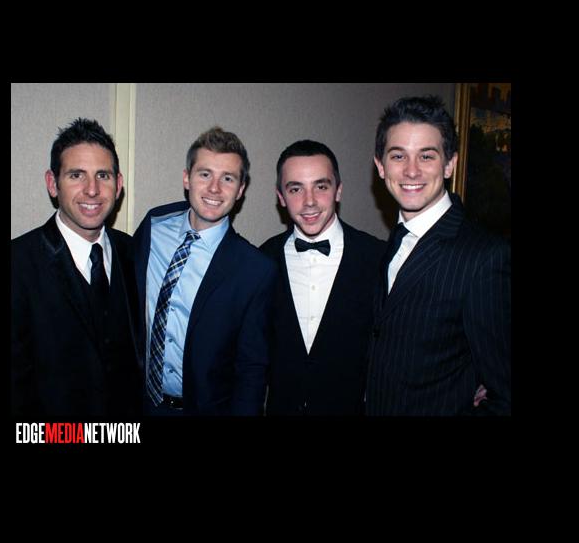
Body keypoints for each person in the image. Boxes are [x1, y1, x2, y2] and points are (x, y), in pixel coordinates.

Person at [366, 95, 511, 416]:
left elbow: (505, 397)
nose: (411, 171)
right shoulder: (390, 242)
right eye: (398, 156)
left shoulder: (485, 257)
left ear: (449, 165)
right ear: (381, 166)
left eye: (426, 156)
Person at [133, 126, 277, 416]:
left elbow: (251, 370)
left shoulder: (255, 270)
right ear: (187, 178)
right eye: (205, 174)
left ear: (241, 190)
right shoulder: (153, 226)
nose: (214, 188)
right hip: (139, 406)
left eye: (228, 178)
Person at [11, 118, 141, 416]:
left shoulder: (134, 253)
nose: (92, 190)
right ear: (52, 183)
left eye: (103, 175)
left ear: (118, 185)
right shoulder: (18, 264)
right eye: (76, 175)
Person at [260, 140, 386, 415]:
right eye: (295, 189)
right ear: (281, 197)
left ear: (338, 190)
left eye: (321, 186)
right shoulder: (261, 260)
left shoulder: (379, 259)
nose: (309, 201)